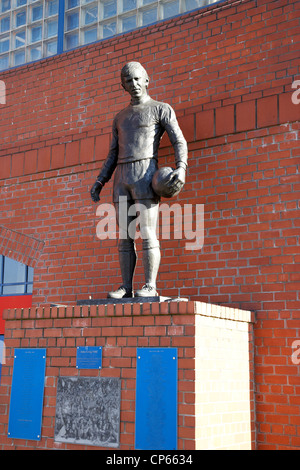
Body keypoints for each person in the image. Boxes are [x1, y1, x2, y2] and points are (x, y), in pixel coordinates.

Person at [90, 62, 188, 299]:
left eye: (137, 79)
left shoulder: (160, 109)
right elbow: (112, 154)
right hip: (122, 178)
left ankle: (149, 285)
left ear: (146, 80)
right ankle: (126, 287)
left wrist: (181, 168)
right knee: (124, 235)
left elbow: (179, 141)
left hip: (145, 174)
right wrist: (100, 181)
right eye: (128, 81)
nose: (133, 84)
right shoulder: (120, 118)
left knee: (147, 231)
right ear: (122, 85)